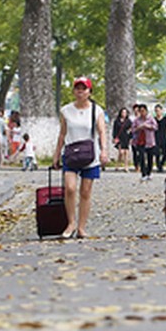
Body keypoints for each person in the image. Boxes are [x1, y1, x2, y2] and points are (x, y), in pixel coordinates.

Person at [55, 76, 110, 239]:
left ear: (89, 92)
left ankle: (81, 227)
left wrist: (104, 150)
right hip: (71, 153)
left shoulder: (96, 110)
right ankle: (71, 223)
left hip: (90, 155)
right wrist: (56, 153)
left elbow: (102, 131)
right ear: (73, 91)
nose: (80, 92)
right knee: (70, 188)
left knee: (85, 192)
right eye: (77, 88)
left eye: (83, 89)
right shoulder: (66, 110)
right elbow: (62, 133)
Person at [131, 104, 158, 181]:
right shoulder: (136, 120)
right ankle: (143, 173)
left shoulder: (150, 119)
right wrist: (138, 128)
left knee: (150, 158)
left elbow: (156, 127)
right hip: (140, 141)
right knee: (142, 157)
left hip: (150, 141)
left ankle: (149, 173)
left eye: (143, 111)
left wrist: (148, 126)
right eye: (141, 111)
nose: (142, 113)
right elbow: (132, 130)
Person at [112, 107, 132, 171]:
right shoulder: (117, 121)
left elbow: (131, 129)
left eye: (125, 112)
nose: (124, 114)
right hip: (119, 138)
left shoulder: (128, 121)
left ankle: (126, 166)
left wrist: (131, 137)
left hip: (126, 137)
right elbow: (114, 130)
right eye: (123, 112)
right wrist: (114, 137)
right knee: (121, 152)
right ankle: (118, 164)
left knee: (126, 152)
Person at [154, 104, 166, 172]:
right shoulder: (153, 119)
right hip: (155, 137)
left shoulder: (165, 119)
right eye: (156, 111)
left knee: (165, 153)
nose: (158, 112)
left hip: (163, 137)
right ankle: (158, 166)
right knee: (157, 153)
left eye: (159, 110)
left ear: (161, 111)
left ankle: (161, 163)